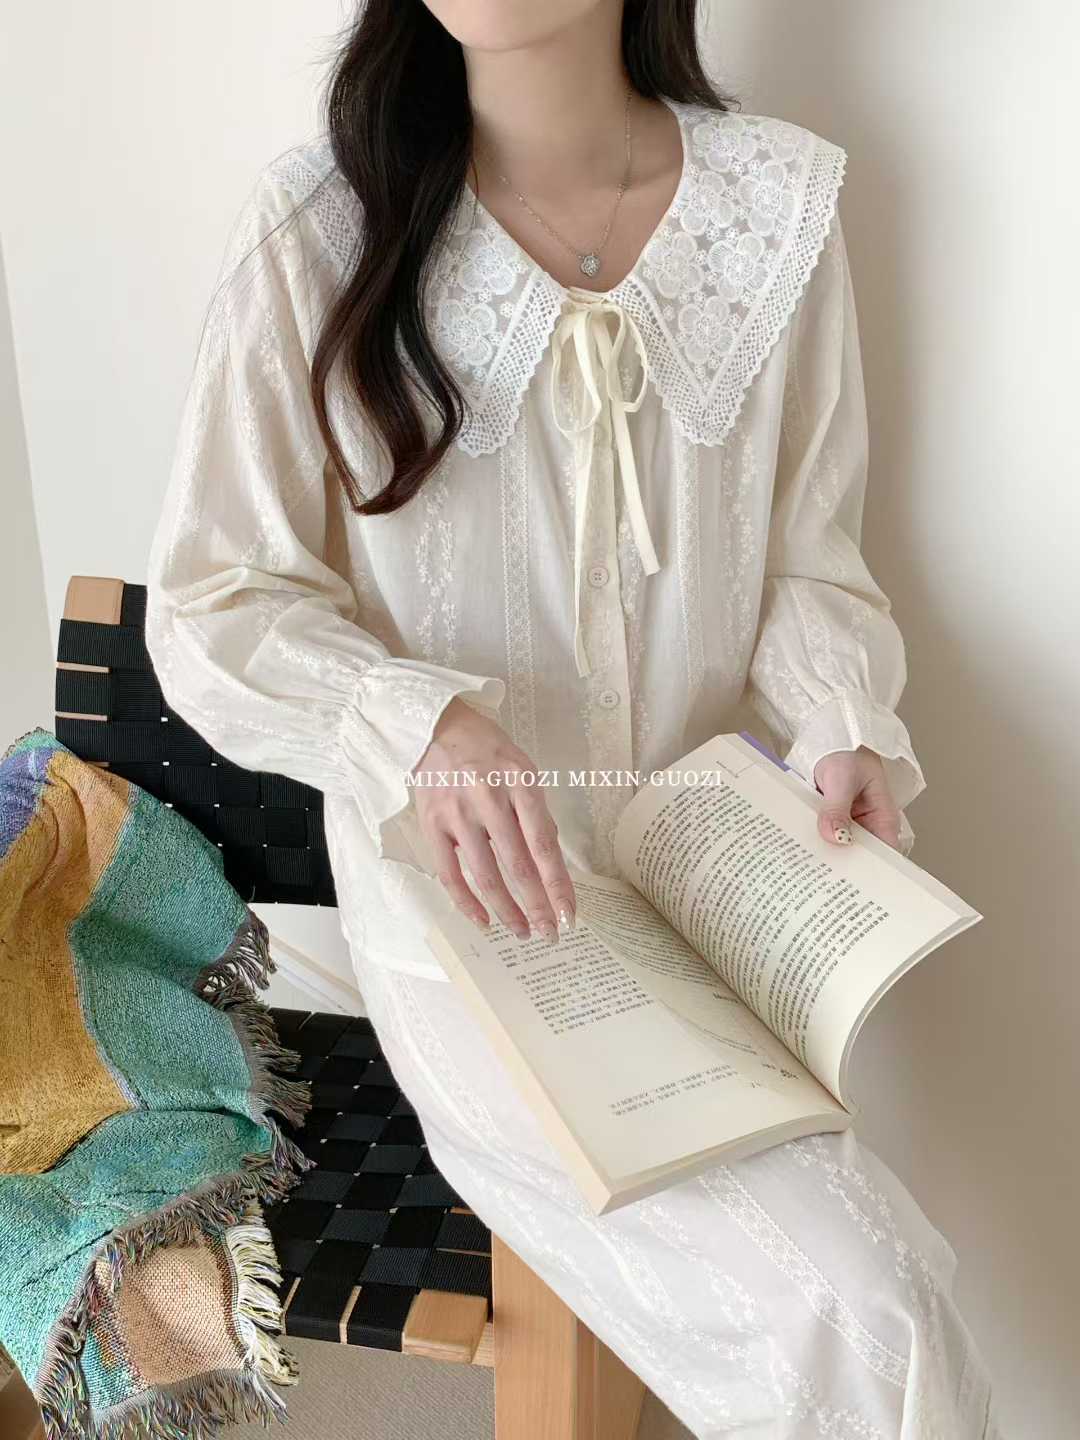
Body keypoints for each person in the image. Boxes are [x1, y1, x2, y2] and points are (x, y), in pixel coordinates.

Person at [145, 2, 1003, 1434]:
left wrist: (842, 721)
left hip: (711, 891)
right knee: (861, 1312)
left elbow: (810, 553)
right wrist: (419, 722)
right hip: (475, 920)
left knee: (877, 1298)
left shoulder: (774, 205)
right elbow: (212, 604)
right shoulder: (320, 226)